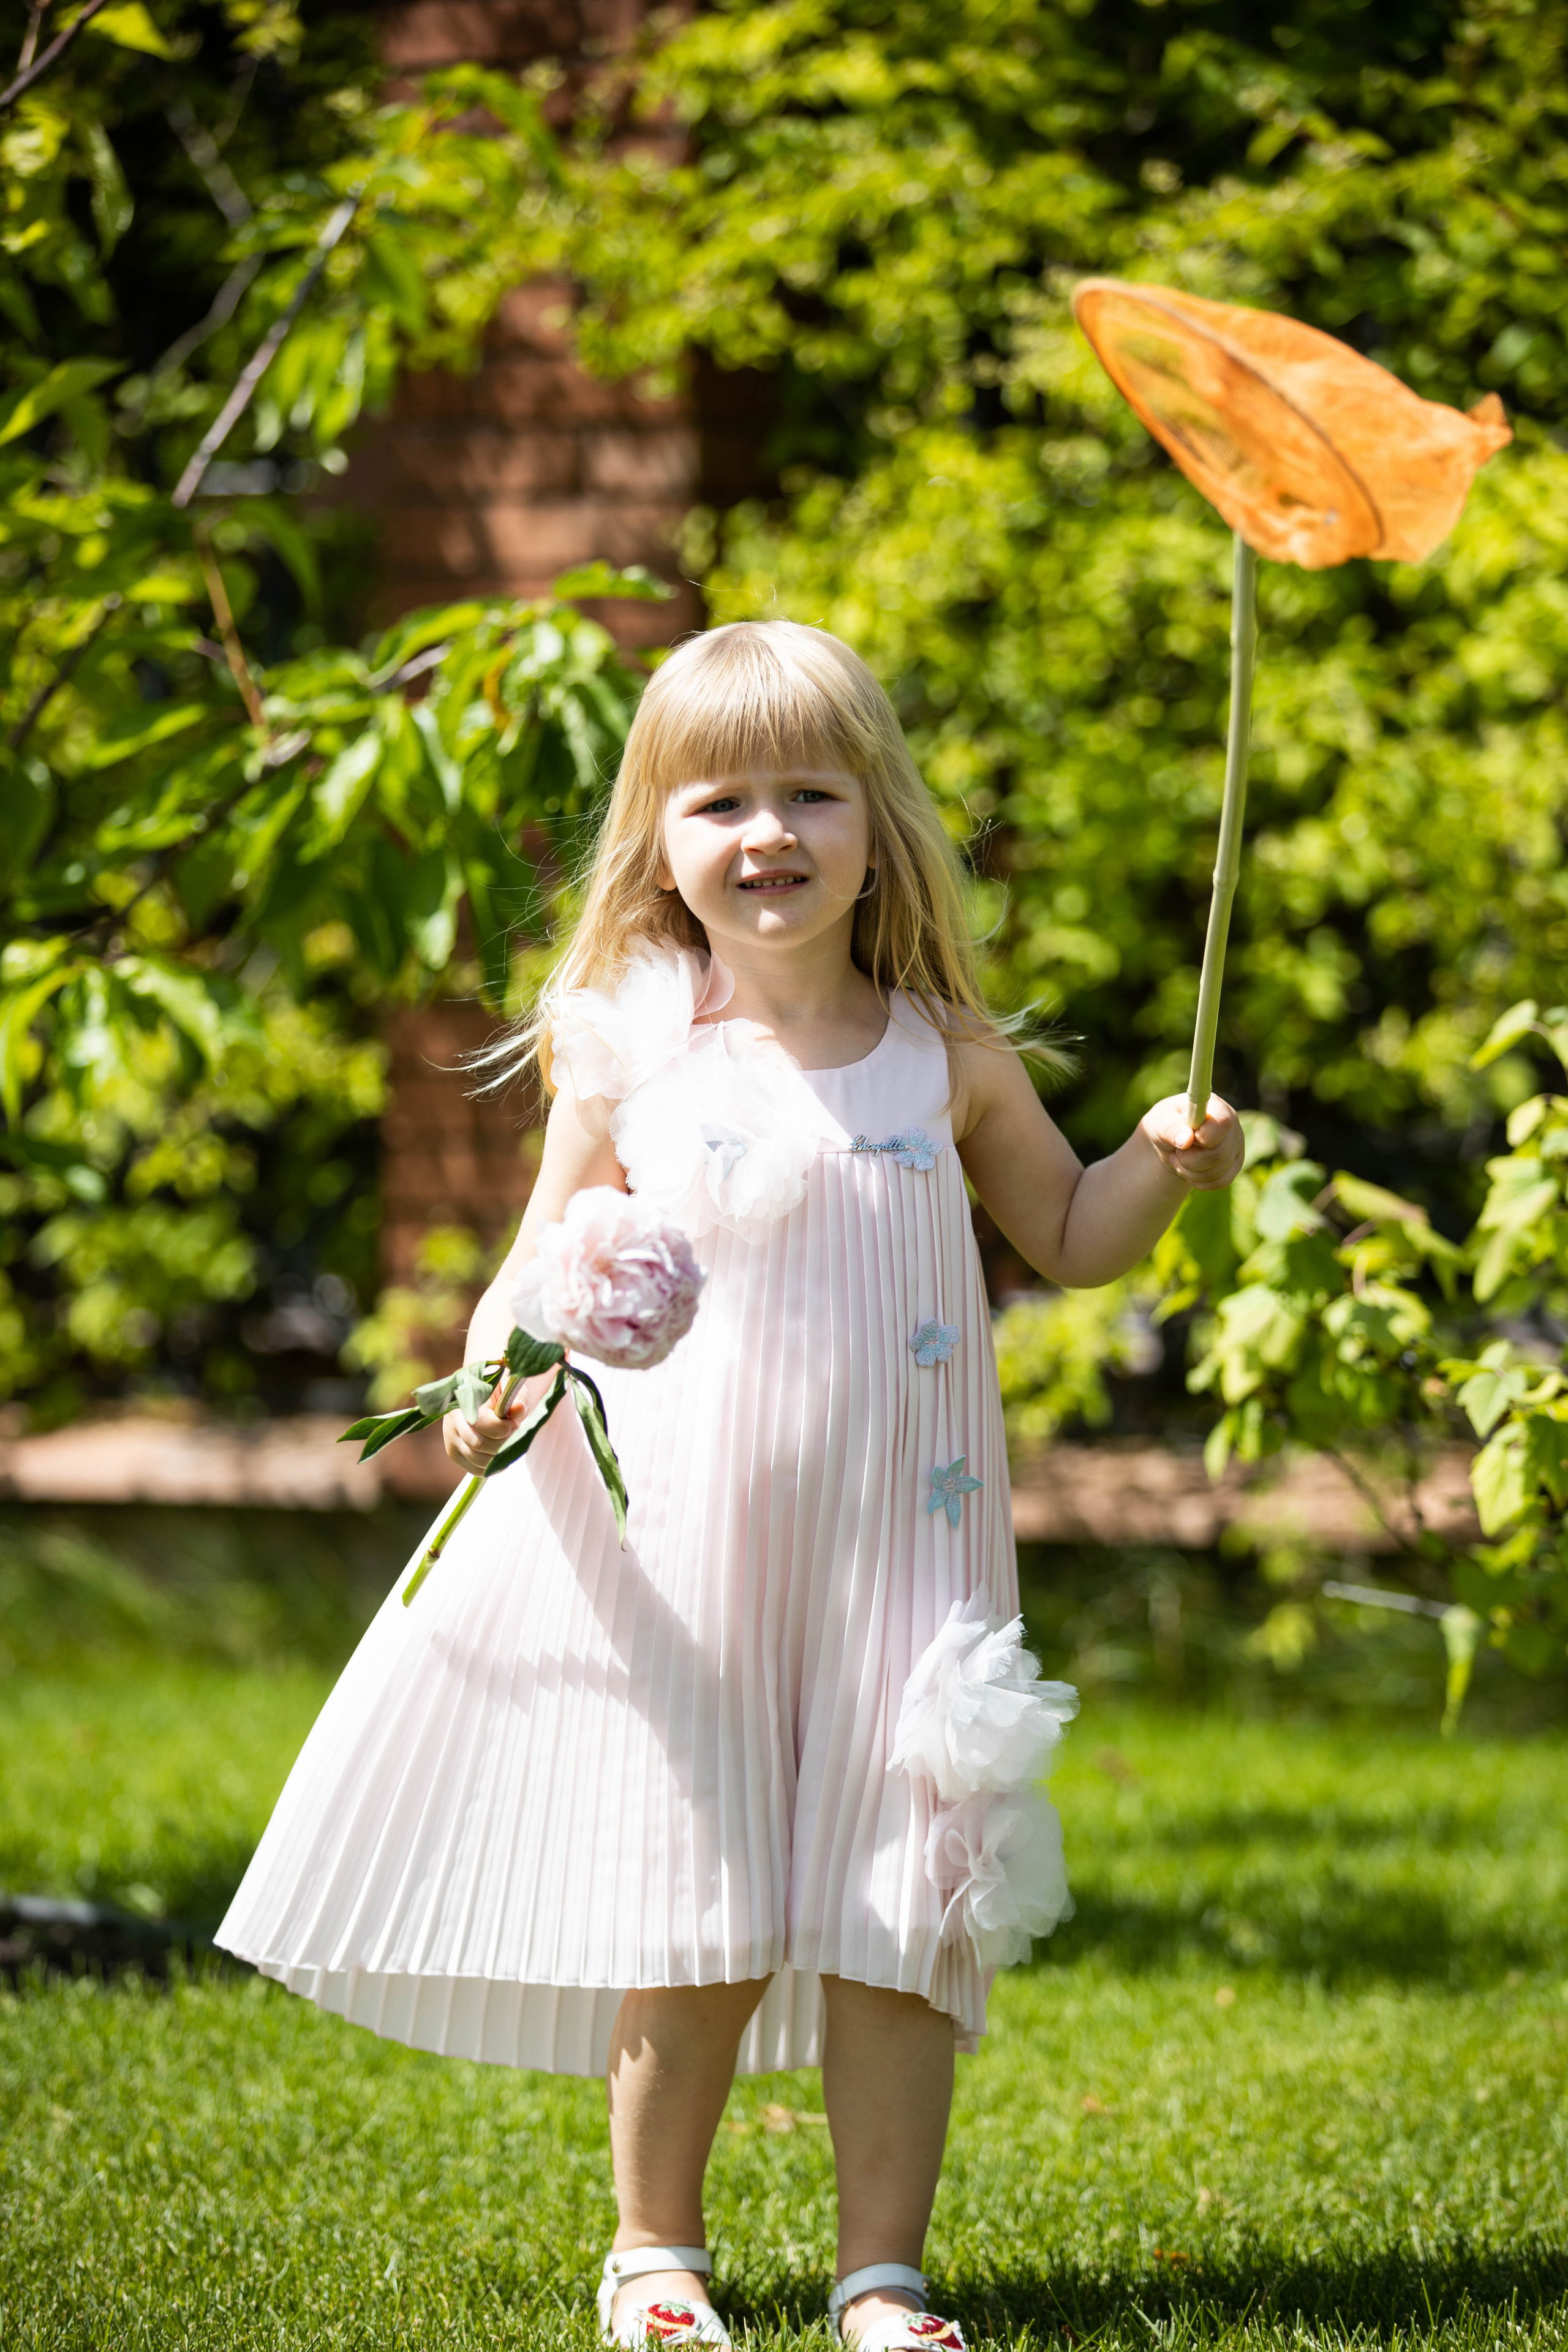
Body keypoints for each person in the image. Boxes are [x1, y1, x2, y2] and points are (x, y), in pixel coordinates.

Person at [217, 620, 1243, 2352]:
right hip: (685, 1552)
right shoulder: (635, 1047)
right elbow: (542, 1256)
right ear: (660, 839)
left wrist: (1159, 1158)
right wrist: (489, 1380)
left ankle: (882, 2277)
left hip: (901, 1555)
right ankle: (654, 2254)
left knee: (899, 1909)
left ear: (877, 827)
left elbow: (1069, 1241)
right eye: (720, 800)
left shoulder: (946, 1057)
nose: (767, 832)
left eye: (810, 793)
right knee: (689, 1896)